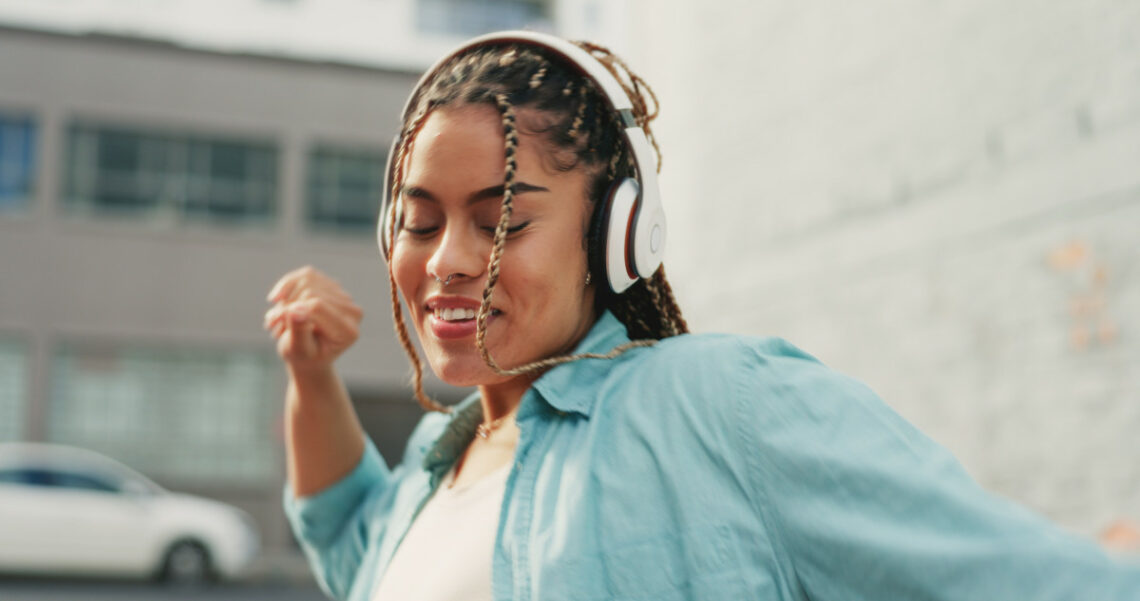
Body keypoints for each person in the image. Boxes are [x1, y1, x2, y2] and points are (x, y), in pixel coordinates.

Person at [263, 31, 1140, 601]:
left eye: (502, 221)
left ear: (618, 234)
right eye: (419, 220)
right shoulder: (433, 462)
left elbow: (1008, 579)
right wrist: (309, 374)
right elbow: (347, 536)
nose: (450, 257)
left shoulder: (718, 404)